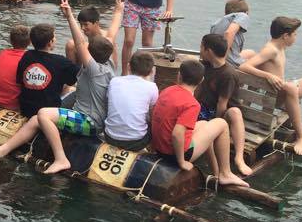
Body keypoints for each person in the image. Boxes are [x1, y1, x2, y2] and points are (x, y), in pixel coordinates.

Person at [0, 0, 115, 173]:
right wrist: (119, 12)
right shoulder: (109, 66)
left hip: (90, 123)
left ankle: (61, 159)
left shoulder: (94, 70)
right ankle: (3, 149)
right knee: (37, 119)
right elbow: (108, 37)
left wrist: (69, 17)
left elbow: (80, 43)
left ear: (89, 55)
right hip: (85, 116)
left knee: (43, 113)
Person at [150, 59, 249, 187]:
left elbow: (154, 117)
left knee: (203, 124)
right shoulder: (191, 104)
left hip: (159, 149)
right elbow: (177, 134)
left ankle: (217, 173)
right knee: (221, 124)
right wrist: (181, 162)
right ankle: (226, 173)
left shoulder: (166, 91)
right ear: (201, 80)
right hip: (175, 155)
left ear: (179, 75)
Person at [239, 16, 302, 155]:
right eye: (295, 34)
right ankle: (301, 136)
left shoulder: (279, 47)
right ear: (285, 36)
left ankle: (291, 116)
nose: (296, 37)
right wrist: (268, 75)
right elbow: (244, 67)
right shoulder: (271, 50)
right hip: (273, 98)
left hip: (280, 92)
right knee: (292, 88)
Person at [195, 33, 252, 176]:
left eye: (201, 47)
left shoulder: (228, 74)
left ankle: (239, 157)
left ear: (208, 51)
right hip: (205, 110)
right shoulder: (204, 66)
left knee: (235, 113)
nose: (200, 50)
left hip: (223, 112)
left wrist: (216, 123)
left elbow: (222, 104)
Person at [103, 50, 158, 150]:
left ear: (129, 67)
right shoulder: (152, 87)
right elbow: (152, 115)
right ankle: (150, 149)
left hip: (110, 137)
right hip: (136, 141)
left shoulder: (115, 81)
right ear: (151, 71)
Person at [64, 0, 124, 66]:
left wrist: (118, 11)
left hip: (103, 69)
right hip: (88, 67)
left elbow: (114, 26)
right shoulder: (85, 37)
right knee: (70, 45)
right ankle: (72, 74)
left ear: (96, 23)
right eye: (81, 24)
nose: (82, 28)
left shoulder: (106, 38)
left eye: (86, 24)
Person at [0, 25, 31, 111]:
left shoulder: (2, 54)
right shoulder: (30, 59)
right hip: (16, 104)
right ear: (30, 42)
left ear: (10, 40)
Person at [209, 0, 253, 67]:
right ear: (246, 12)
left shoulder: (216, 24)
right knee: (264, 60)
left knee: (251, 53)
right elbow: (229, 33)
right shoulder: (242, 15)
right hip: (230, 63)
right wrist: (222, 60)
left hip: (216, 59)